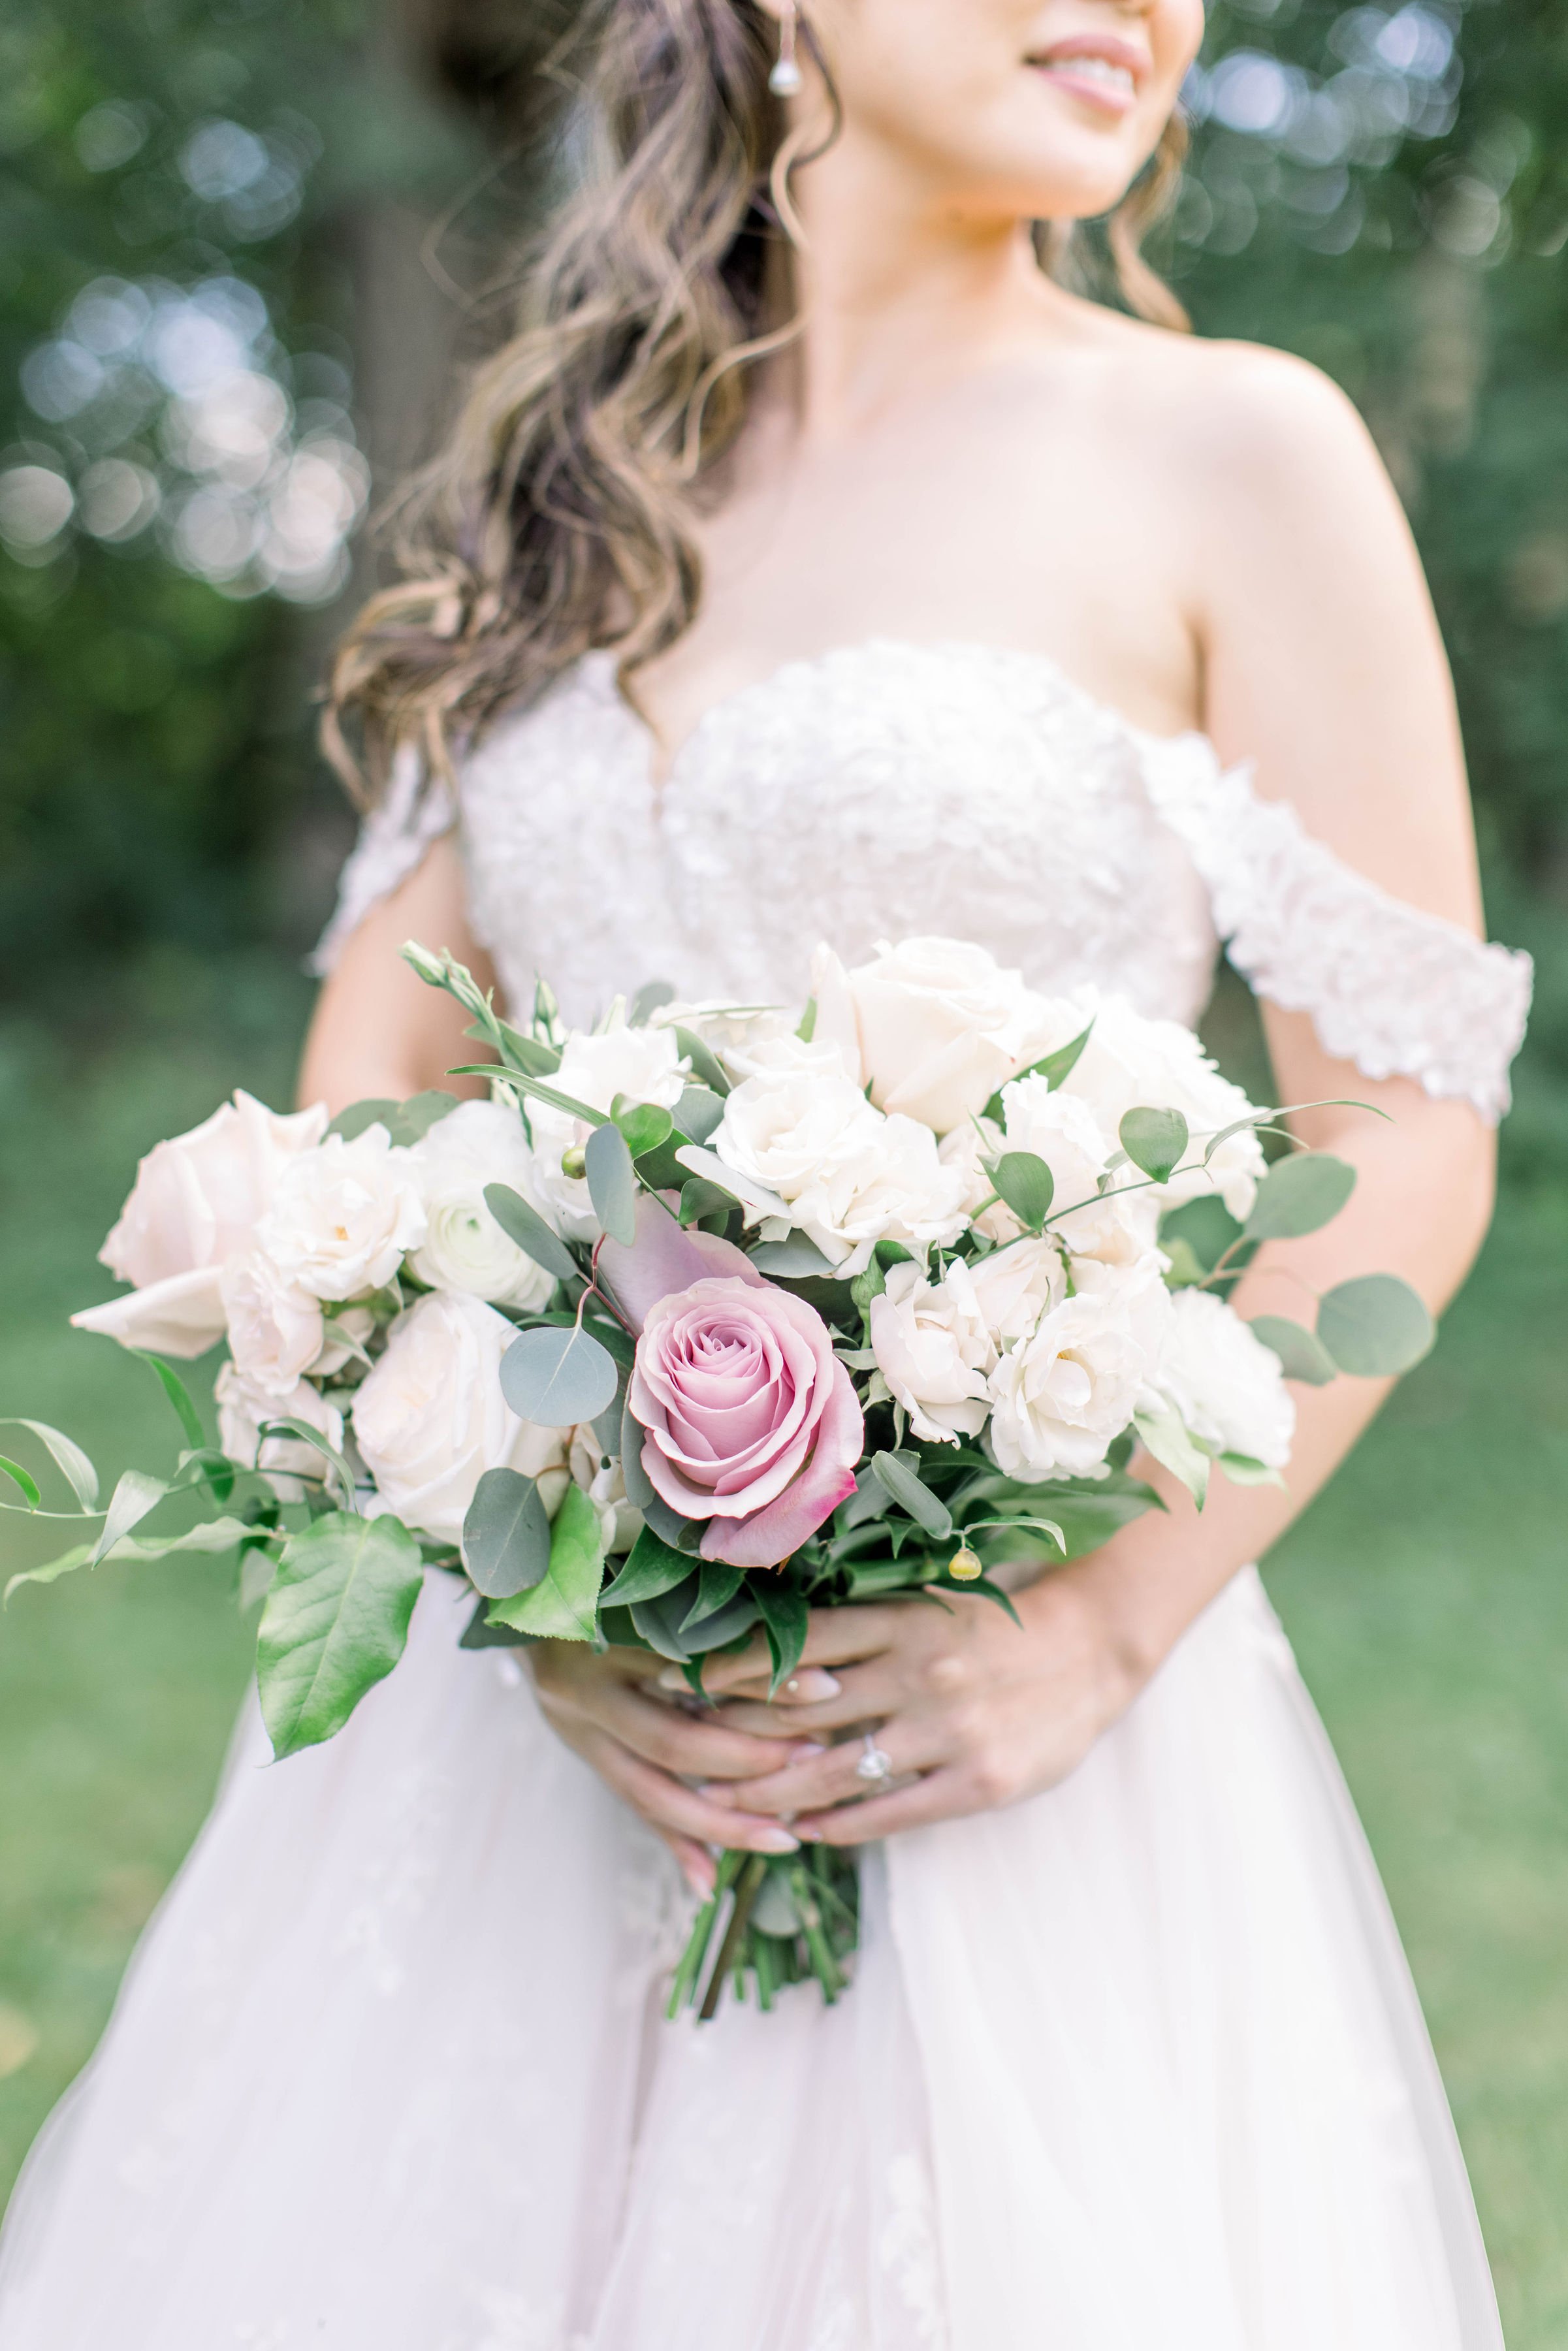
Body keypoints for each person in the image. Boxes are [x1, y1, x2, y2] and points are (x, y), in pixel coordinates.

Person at [0, 2, 1532, 2343]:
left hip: (998, 1718)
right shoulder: (548, 510)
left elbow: (1408, 1119)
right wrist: (523, 1606)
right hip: (512, 1743)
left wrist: (1097, 1627)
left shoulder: (1235, 448)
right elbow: (338, 1159)